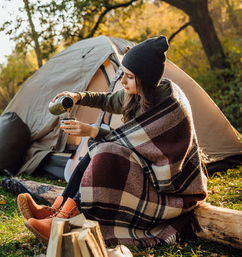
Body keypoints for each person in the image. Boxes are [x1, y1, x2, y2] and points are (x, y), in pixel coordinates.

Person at [17, 36, 208, 246]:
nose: (123, 81)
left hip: (168, 182)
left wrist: (92, 131)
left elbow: (142, 149)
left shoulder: (169, 107)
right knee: (98, 149)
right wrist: (79, 96)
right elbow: (107, 100)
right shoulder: (136, 94)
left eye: (129, 77)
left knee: (105, 152)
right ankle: (59, 209)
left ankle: (63, 220)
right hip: (144, 165)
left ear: (145, 79)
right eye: (123, 75)